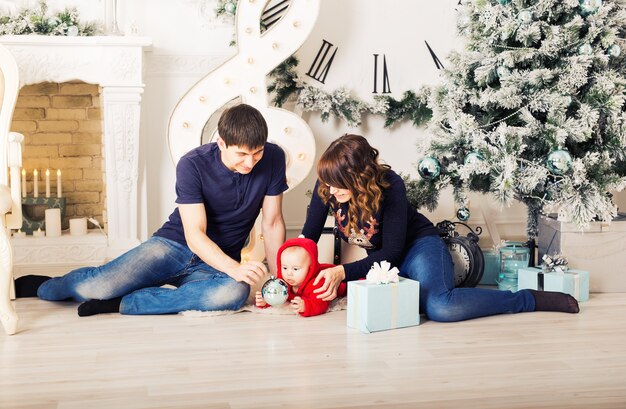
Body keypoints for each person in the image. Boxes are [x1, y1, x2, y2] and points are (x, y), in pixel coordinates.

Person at [17, 104, 288, 316]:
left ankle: (125, 302)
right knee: (96, 287)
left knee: (233, 294)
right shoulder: (192, 164)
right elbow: (194, 234)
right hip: (172, 246)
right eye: (241, 154)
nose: (250, 162)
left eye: (257, 153)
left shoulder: (274, 157)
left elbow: (272, 222)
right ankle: (45, 286)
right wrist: (234, 267)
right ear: (221, 143)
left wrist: (281, 279)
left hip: (212, 263)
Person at [301, 134, 579, 322]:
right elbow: (308, 237)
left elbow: (393, 251)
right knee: (404, 307)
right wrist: (288, 278)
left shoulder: (389, 184)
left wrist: (342, 271)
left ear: (359, 177)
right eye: (327, 182)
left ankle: (526, 300)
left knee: (440, 307)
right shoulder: (328, 184)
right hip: (383, 264)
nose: (331, 189)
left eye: (338, 183)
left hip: (418, 248)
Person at [255, 237, 346, 317]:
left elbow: (321, 304)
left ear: (310, 269)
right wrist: (267, 300)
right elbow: (278, 297)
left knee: (351, 285)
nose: (289, 273)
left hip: (343, 282)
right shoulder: (283, 282)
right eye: (285, 267)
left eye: (295, 269)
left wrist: (306, 306)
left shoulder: (317, 283)